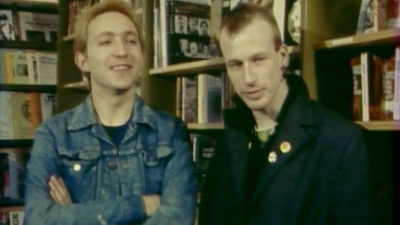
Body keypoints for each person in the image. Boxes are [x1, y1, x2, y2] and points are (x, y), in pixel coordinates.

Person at [24, 1, 196, 224]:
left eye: (131, 41)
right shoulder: (54, 135)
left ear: (142, 56)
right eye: (106, 42)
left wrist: (74, 215)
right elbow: (39, 219)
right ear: (82, 60)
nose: (122, 51)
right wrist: (140, 205)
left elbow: (178, 218)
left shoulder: (170, 131)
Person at [199, 4, 371, 225]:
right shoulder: (229, 140)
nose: (248, 78)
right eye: (236, 65)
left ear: (282, 56)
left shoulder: (341, 141)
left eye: (258, 60)